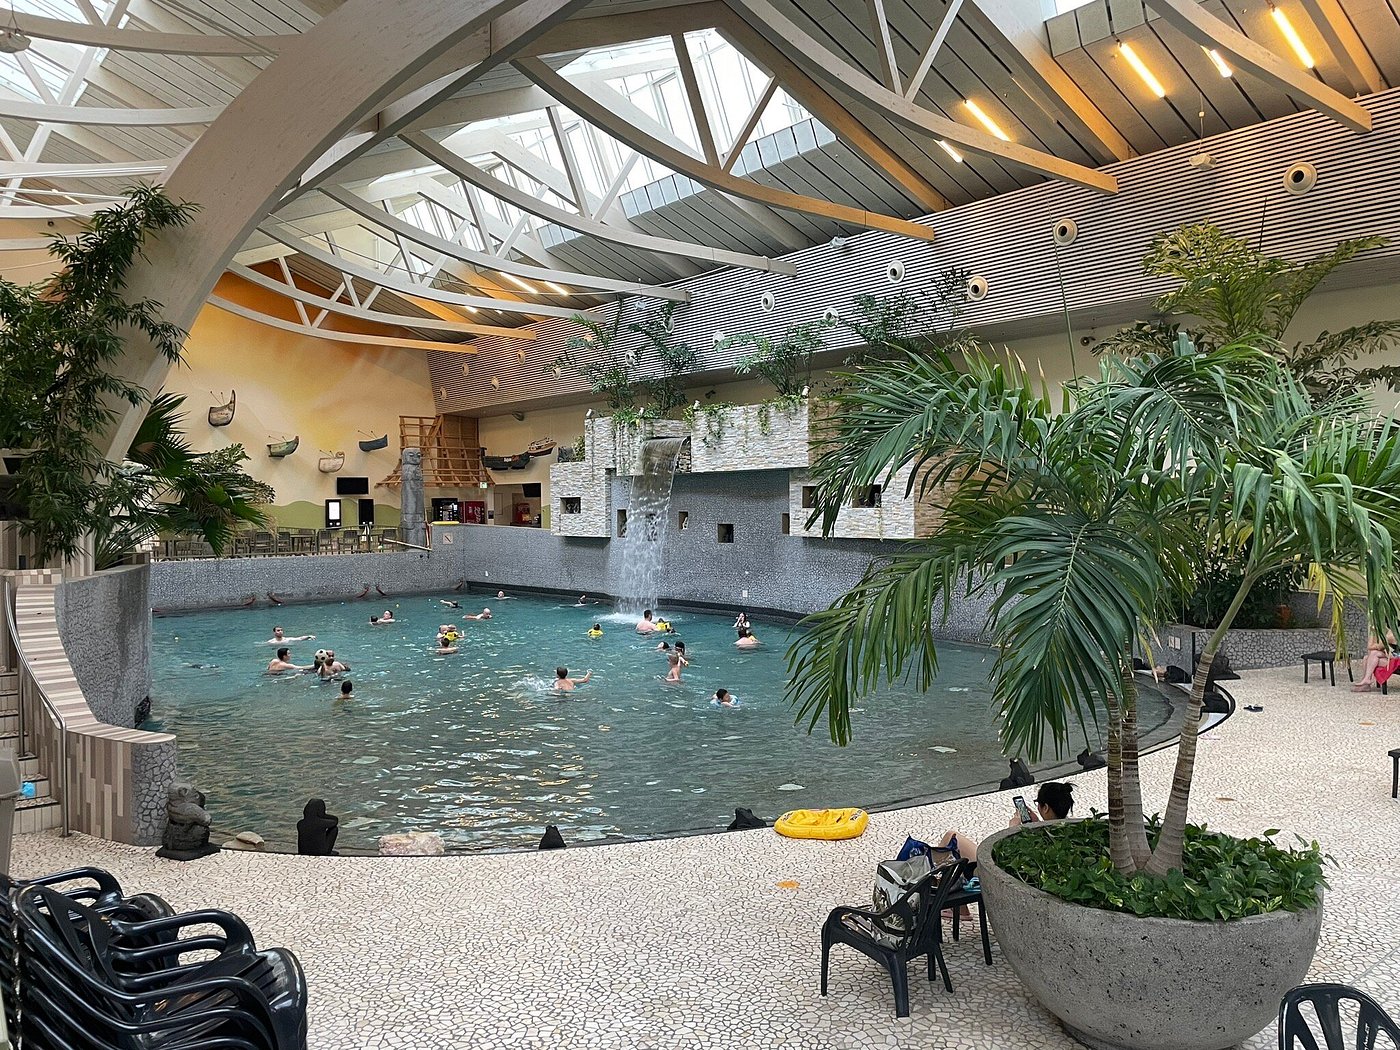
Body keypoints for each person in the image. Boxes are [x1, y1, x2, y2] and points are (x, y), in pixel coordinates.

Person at [936, 782, 1075, 861]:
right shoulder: (1071, 832)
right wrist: (1037, 823)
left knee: (951, 837)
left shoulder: (1045, 838)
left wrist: (1012, 828)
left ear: (1045, 808)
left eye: (1038, 803)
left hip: (994, 873)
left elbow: (1007, 855)